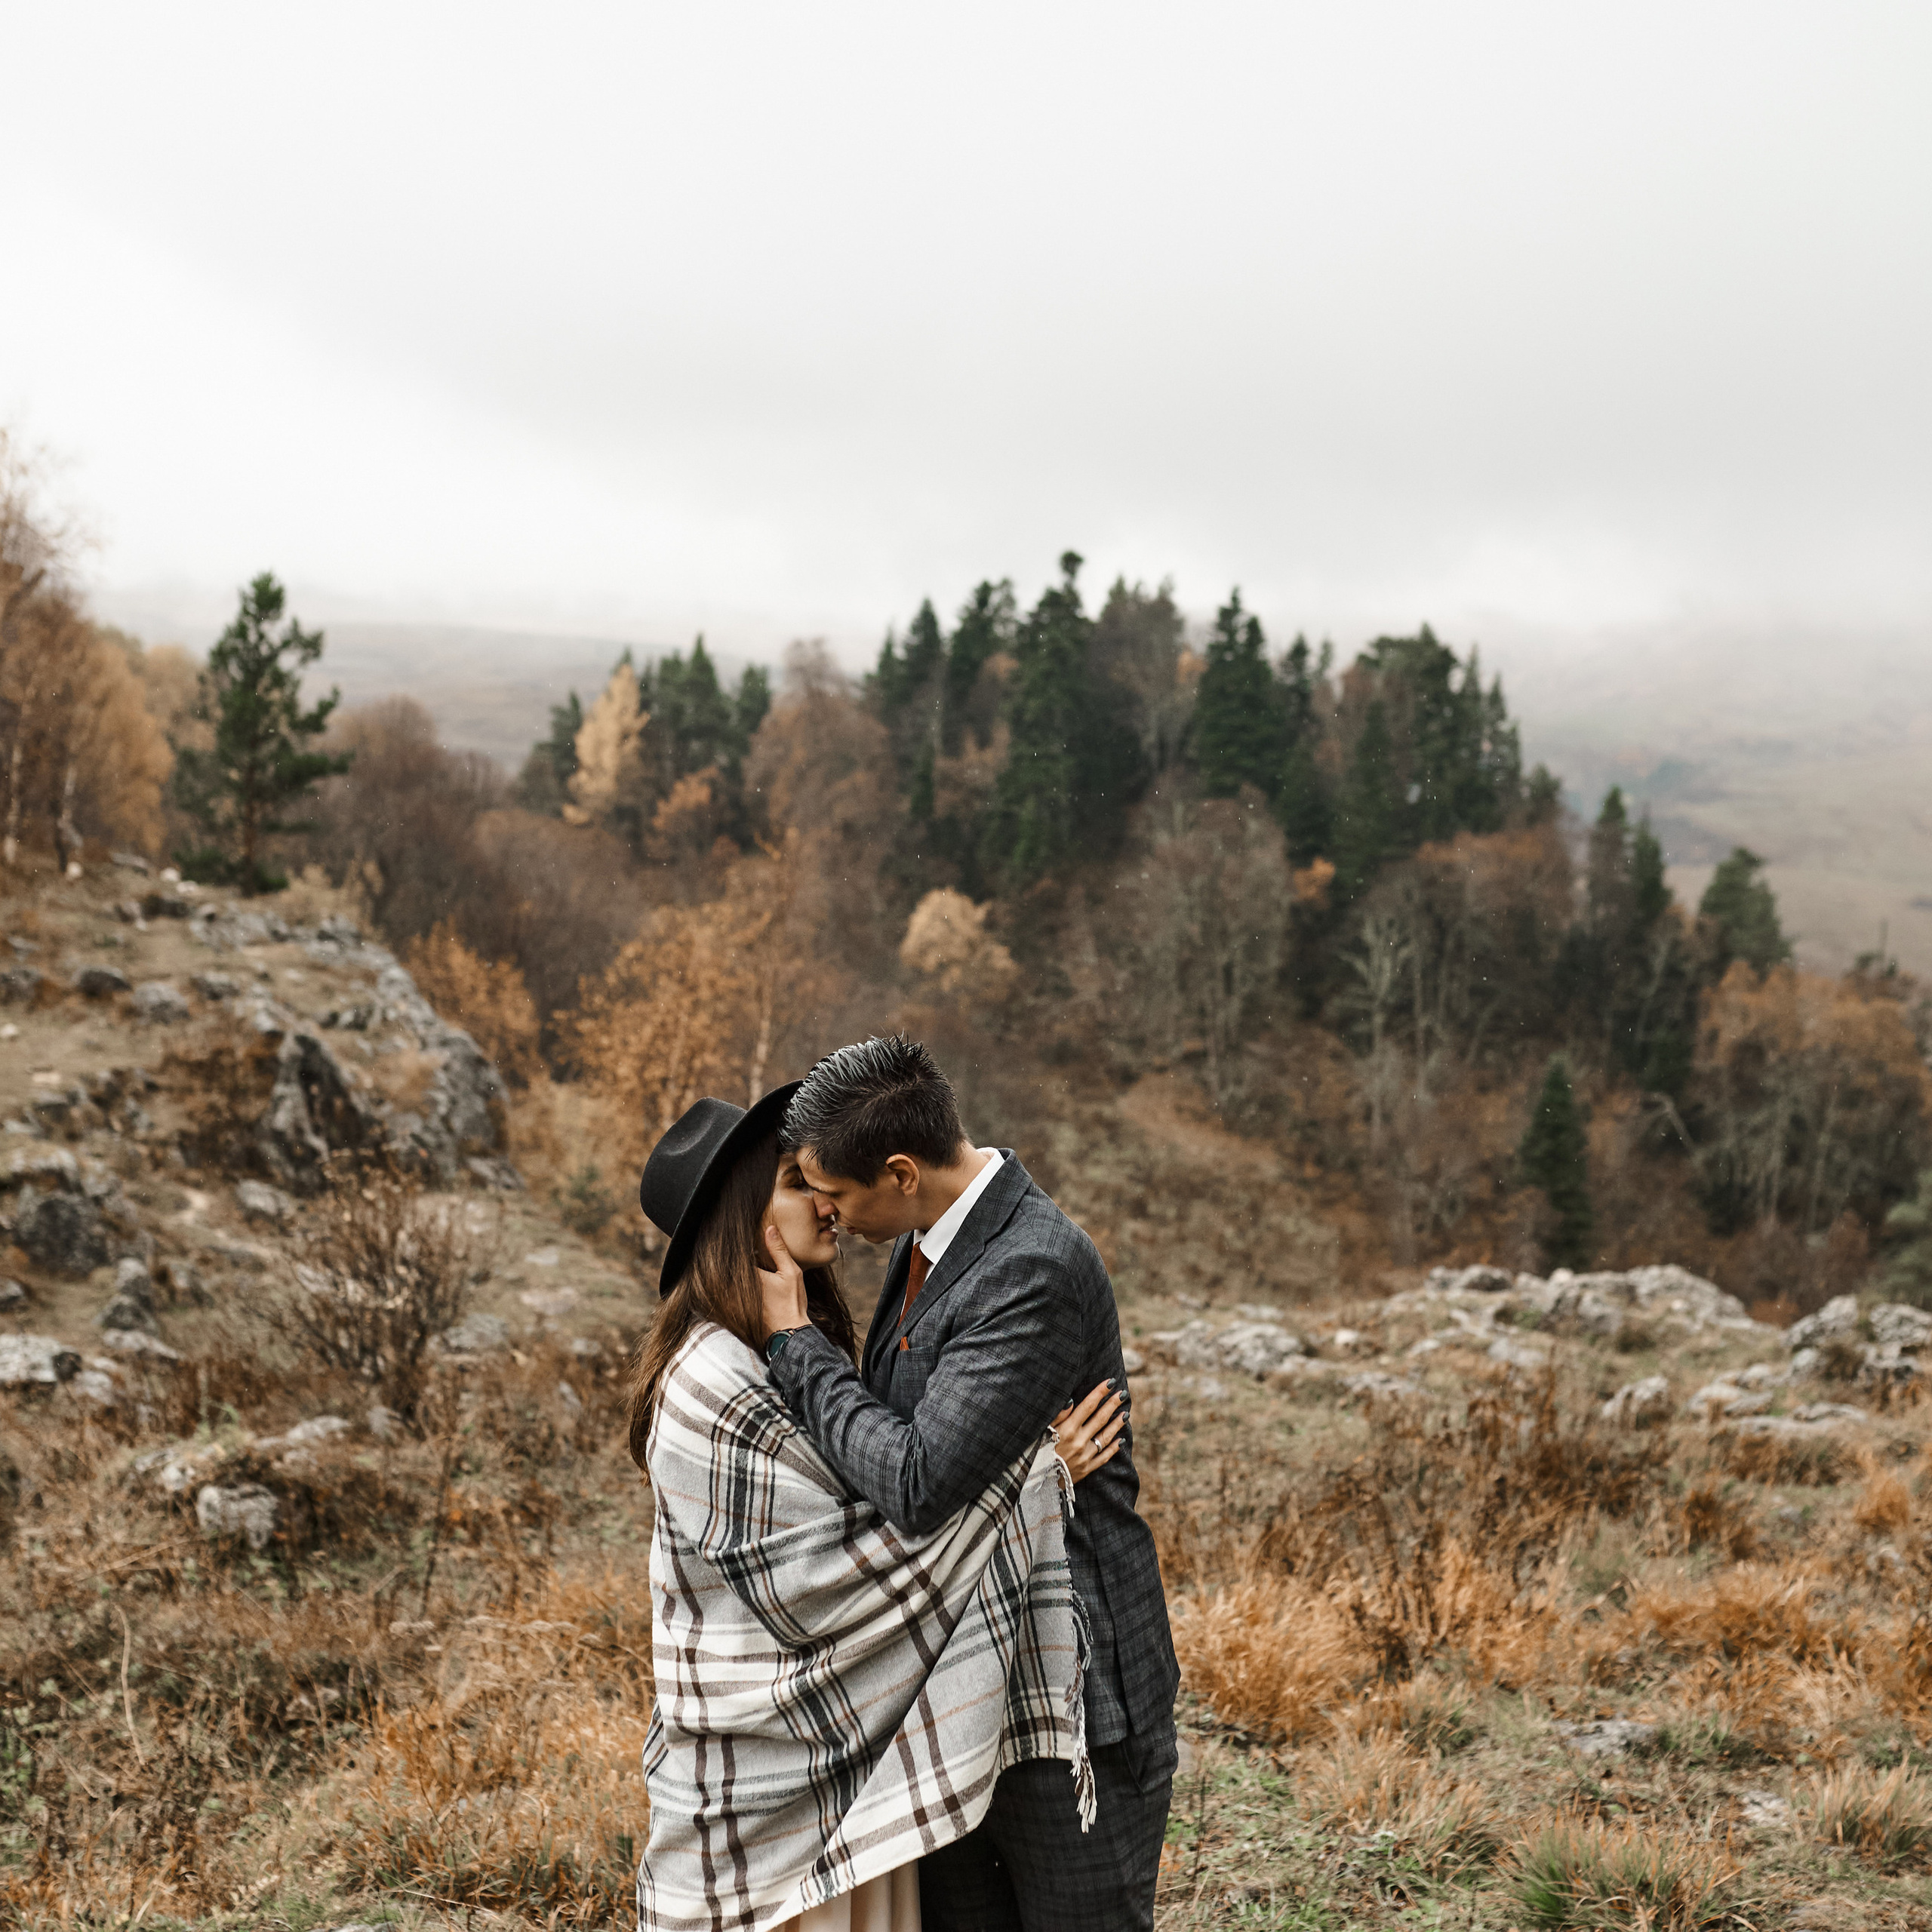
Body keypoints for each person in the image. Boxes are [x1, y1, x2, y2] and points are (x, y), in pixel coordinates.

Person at [630, 1081, 1124, 1932]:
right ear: (750, 1222)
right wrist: (1036, 1474)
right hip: (763, 1786)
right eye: (795, 1181)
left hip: (839, 1778)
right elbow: (834, 1578)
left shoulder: (780, 1351)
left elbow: (878, 1493)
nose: (824, 1201)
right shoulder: (713, 1383)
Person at [757, 1037, 1180, 1932]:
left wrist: (795, 1342)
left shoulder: (1032, 1266)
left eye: (833, 1194)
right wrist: (1035, 1464)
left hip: (1070, 1701)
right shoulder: (927, 1245)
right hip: (961, 1682)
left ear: (901, 1171)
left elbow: (915, 1480)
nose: (826, 1215)